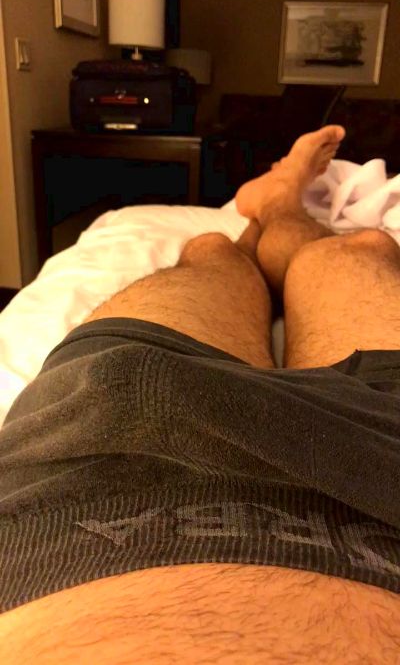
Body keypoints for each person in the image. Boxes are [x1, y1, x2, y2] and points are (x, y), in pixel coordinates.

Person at [1, 125, 400, 664]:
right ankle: (277, 205)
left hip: (111, 432)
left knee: (210, 252)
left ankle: (272, 207)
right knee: (361, 250)